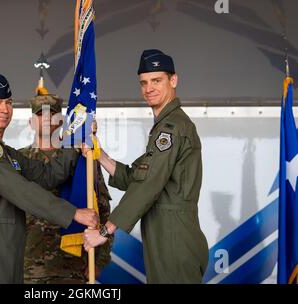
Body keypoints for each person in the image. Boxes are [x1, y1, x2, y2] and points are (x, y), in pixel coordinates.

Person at [0, 72, 98, 284]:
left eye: (8, 102)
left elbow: (47, 175)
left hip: (10, 249)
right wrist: (73, 213)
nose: (4, 109)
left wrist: (74, 140)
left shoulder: (6, 153)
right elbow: (20, 189)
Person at [83, 50, 209, 284]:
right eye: (144, 82)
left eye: (156, 80)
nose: (148, 88)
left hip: (173, 235)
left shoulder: (171, 128)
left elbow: (148, 185)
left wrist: (104, 232)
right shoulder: (165, 126)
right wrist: (99, 155)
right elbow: (136, 177)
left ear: (173, 80)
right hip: (165, 232)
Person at [20, 82, 113, 284]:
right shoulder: (18, 161)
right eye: (39, 114)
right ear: (30, 122)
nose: (45, 119)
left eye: (51, 114)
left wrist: (100, 261)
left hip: (72, 269)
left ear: (61, 121)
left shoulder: (82, 160)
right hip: (28, 270)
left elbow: (102, 209)